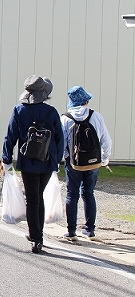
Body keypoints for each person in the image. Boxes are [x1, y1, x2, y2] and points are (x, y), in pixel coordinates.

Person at [1, 75, 64, 254]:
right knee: (39, 197)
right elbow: (60, 139)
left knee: (32, 199)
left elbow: (10, 136)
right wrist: (57, 160)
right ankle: (39, 235)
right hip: (47, 162)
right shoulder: (51, 112)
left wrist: (6, 158)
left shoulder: (19, 110)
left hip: (28, 162)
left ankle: (35, 237)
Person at [60, 86, 112, 241]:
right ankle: (89, 230)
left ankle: (71, 232)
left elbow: (61, 143)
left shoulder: (65, 118)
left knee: (72, 195)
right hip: (93, 163)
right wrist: (104, 159)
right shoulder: (96, 116)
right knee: (89, 194)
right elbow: (106, 141)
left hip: (73, 163)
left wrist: (61, 160)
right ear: (86, 101)